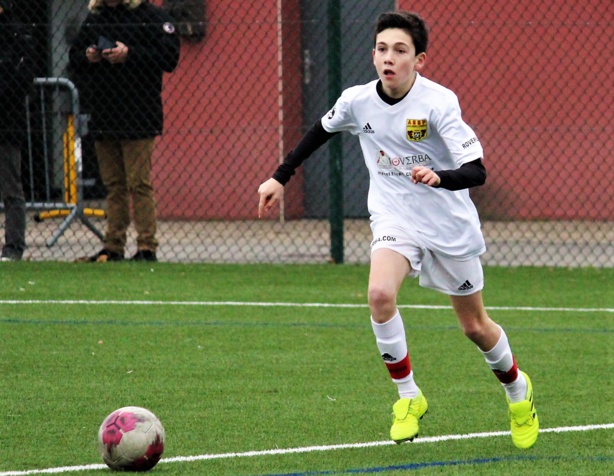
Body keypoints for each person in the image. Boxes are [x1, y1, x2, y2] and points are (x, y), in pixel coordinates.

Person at [257, 11, 538, 449]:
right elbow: (320, 130)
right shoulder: (356, 100)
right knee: (379, 295)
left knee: (475, 327)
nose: (389, 58)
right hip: (394, 218)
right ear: (373, 55)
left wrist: (439, 176)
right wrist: (280, 176)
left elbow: (477, 170)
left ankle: (518, 391)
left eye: (400, 51)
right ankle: (409, 396)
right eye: (383, 49)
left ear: (419, 60)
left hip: (448, 225)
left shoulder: (439, 102)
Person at [69, 0, 180, 262]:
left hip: (139, 112)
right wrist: (89, 55)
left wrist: (130, 53)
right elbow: (74, 55)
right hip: (105, 112)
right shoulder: (96, 17)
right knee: (114, 185)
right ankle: (113, 245)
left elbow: (169, 58)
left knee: (138, 183)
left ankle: (146, 246)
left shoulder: (151, 17)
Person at [0, 0, 34, 261]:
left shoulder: (16, 33)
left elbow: (21, 79)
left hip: (6, 121)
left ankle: (13, 246)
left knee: (11, 187)